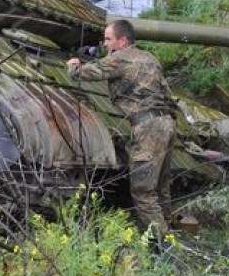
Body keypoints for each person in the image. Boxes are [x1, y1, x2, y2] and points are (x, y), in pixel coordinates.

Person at [66, 19, 178, 241]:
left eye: (108, 39)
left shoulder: (120, 58)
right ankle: (170, 227)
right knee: (161, 187)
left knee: (143, 191)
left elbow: (83, 74)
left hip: (147, 127)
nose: (105, 44)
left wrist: (73, 64)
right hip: (167, 123)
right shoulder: (150, 59)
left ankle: (165, 245)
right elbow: (167, 95)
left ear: (123, 40)